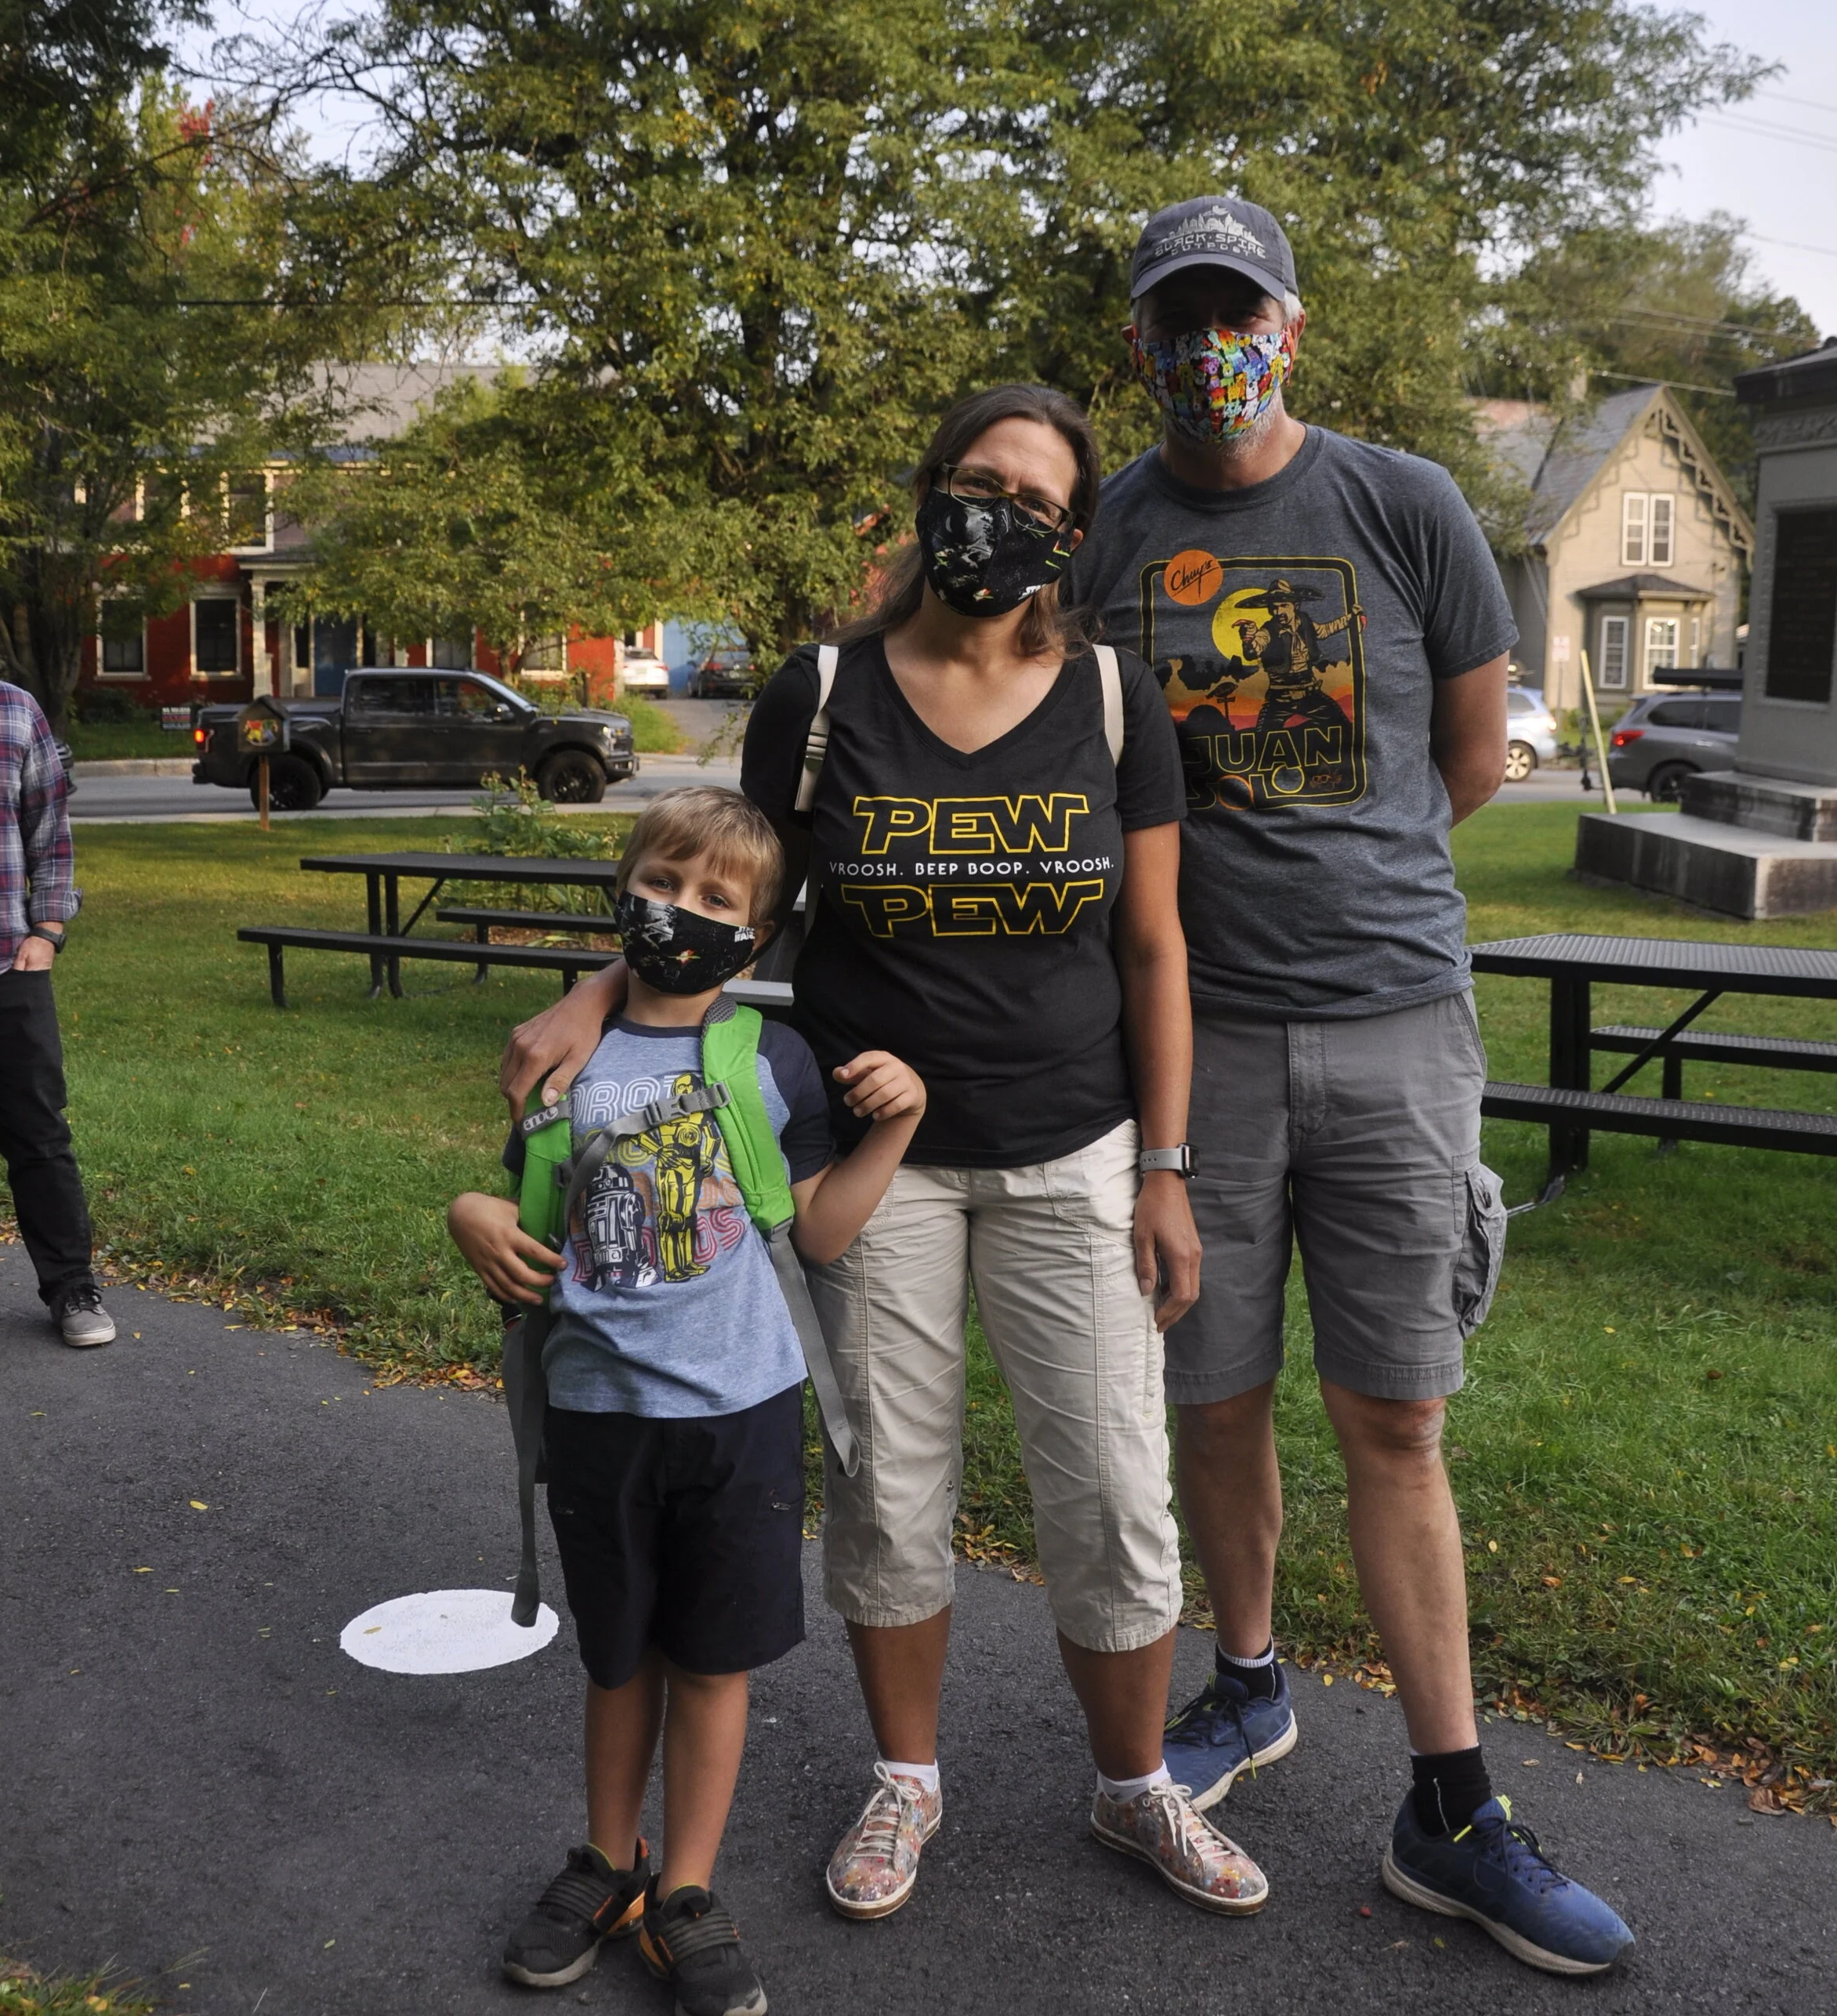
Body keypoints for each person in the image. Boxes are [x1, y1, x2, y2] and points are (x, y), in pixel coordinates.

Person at [505, 385, 1267, 1923]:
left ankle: (1132, 1787)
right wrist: (605, 982)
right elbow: (741, 895)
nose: (990, 513)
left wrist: (1168, 1165)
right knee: (887, 1489)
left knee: (1114, 1488)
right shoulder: (824, 688)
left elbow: (1152, 947)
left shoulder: (1115, 699)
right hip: (870, 1165)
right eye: (967, 481)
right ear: (928, 495)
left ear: (1069, 536)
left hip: (1073, 1151)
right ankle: (904, 1778)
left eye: (1029, 498)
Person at [1067, 193, 1633, 1976]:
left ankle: (1450, 1808)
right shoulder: (1110, 538)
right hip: (1196, 1043)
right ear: (1142, 339)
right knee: (1215, 1395)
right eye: (1176, 315)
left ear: (1289, 327)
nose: (1204, 342)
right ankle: (1247, 1685)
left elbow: (1472, 756)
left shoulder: (1401, 501)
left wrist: (1344, 870)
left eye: (1235, 310)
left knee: (1395, 1415)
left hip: (1397, 1019)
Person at [448, 787, 926, 2016]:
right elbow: (524, 1215)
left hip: (742, 1416)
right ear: (626, 889)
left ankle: (692, 1887)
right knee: (619, 1657)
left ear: (755, 938)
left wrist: (902, 1129)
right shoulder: (562, 1050)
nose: (684, 913)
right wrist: (470, 1217)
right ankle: (609, 1865)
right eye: (665, 882)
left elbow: (815, 1234)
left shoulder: (771, 1064)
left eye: (719, 901)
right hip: (598, 1409)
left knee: (710, 1661)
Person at [0, 555, 114, 1360]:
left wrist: (47, 930)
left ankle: (71, 1286)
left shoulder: (13, 714)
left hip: (6, 965)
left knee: (38, 1136)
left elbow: (54, 836)